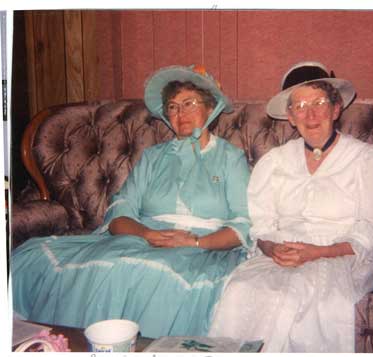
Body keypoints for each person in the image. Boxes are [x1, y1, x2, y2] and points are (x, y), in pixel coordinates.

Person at [12, 64, 252, 338]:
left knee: (153, 273)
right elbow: (120, 212)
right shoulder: (153, 157)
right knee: (35, 257)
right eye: (172, 107)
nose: (180, 113)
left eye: (189, 103)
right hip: (142, 238)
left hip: (203, 247)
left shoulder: (230, 158)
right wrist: (147, 233)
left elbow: (244, 224)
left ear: (211, 108)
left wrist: (195, 242)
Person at [209, 61, 373, 352]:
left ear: (336, 109)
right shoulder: (274, 162)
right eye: (300, 106)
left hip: (345, 255)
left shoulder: (367, 160)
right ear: (290, 117)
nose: (310, 114)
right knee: (241, 290)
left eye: (319, 103)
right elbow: (262, 222)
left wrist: (318, 253)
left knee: (308, 299)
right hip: (284, 250)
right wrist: (272, 249)